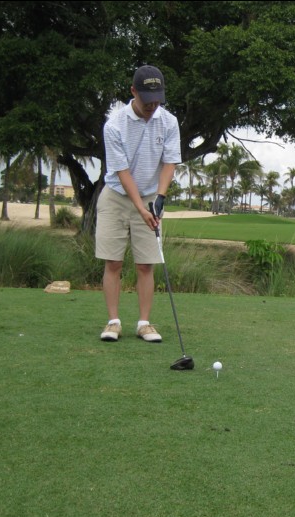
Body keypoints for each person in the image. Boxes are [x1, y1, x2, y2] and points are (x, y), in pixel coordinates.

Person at [96, 65, 182, 342]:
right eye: (147, 100)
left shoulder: (169, 122)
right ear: (133, 91)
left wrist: (160, 197)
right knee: (114, 262)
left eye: (157, 100)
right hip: (116, 196)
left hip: (150, 196)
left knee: (146, 264)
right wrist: (140, 207)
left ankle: (144, 323)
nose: (152, 106)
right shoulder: (114, 125)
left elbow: (170, 162)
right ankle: (113, 322)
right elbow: (122, 173)